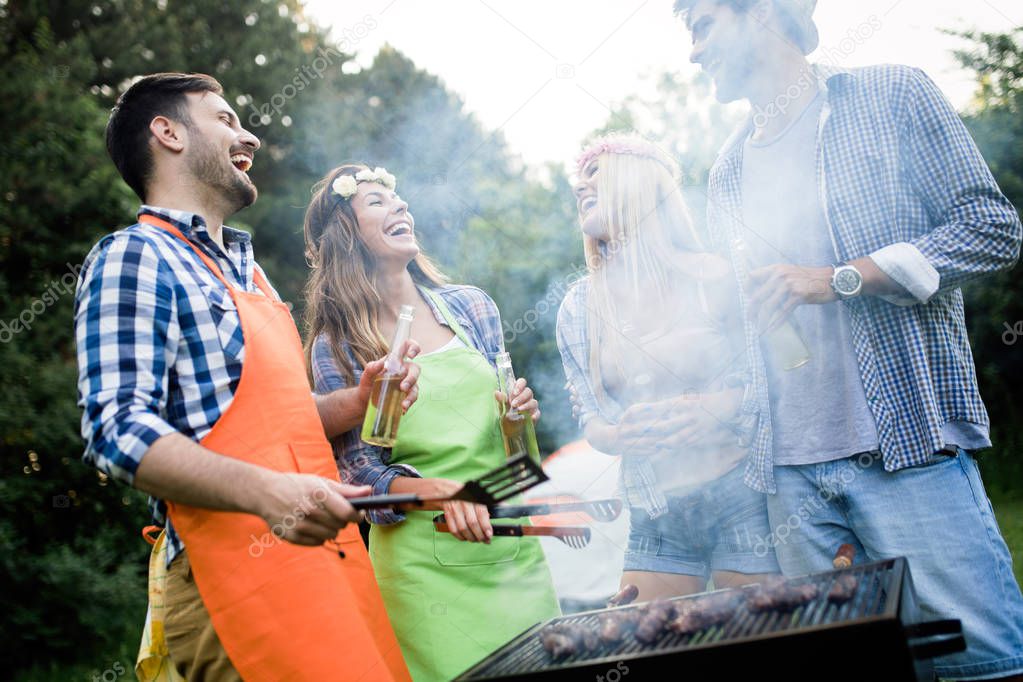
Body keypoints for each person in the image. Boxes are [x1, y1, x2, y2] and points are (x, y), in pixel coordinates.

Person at [675, 0, 1023, 677]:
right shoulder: (727, 172)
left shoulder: (890, 95)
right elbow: (752, 319)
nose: (692, 51)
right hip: (788, 477)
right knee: (858, 670)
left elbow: (990, 228)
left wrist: (838, 279)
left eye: (702, 26)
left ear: (762, 14)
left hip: (905, 448)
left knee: (978, 663)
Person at [75, 73, 415, 681]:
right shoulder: (134, 255)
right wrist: (269, 493)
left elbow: (280, 419)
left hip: (333, 573)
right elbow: (115, 431)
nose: (249, 135)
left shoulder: (252, 277)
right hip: (237, 581)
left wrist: (357, 401)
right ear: (167, 132)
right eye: (226, 119)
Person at [303, 163, 560, 682]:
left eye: (397, 200)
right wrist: (444, 492)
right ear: (346, 235)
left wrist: (521, 422)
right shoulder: (337, 346)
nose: (399, 206)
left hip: (511, 547)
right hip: (423, 570)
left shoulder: (473, 307)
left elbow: (522, 463)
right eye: (376, 202)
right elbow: (357, 475)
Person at [557, 133, 779, 601]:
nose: (580, 188)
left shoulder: (714, 276)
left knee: (762, 646)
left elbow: (771, 382)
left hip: (742, 499)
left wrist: (717, 406)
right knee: (653, 652)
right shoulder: (580, 306)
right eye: (578, 182)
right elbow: (592, 419)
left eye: (594, 175)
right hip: (656, 512)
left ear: (637, 184)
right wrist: (618, 436)